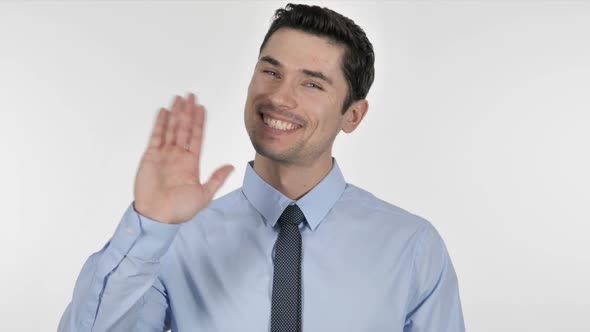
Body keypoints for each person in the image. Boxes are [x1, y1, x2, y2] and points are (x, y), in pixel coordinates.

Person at [58, 3, 465, 332]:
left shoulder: (412, 247)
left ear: (353, 115)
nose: (279, 98)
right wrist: (150, 225)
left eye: (312, 83)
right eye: (271, 71)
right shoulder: (173, 241)